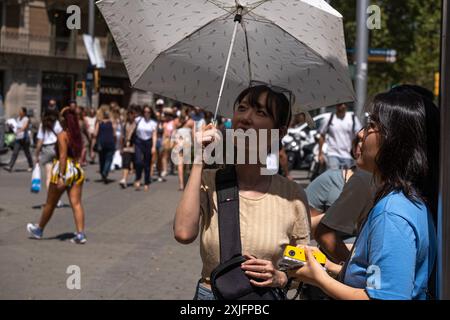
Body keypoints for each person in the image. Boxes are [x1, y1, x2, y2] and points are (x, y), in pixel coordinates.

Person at [288, 85, 439, 300]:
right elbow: (378, 279)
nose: (360, 133)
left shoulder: (392, 214)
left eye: (371, 126)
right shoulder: (403, 200)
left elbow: (386, 297)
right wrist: (329, 267)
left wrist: (320, 280)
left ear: (395, 140)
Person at [174, 85, 311, 300]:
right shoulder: (211, 181)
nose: (245, 118)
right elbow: (183, 233)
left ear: (280, 132)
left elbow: (303, 262)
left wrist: (281, 277)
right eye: (242, 108)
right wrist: (200, 158)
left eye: (260, 112)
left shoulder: (292, 195)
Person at [306, 133, 375, 263]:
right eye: (359, 141)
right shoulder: (330, 180)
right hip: (335, 263)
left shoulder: (390, 186)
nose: (362, 144)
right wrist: (337, 214)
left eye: (366, 139)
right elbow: (303, 227)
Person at [26, 107, 87, 244]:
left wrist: (61, 176)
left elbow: (63, 156)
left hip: (63, 168)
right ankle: (81, 234)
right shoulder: (77, 134)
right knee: (76, 204)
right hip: (76, 170)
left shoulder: (62, 134)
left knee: (50, 204)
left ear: (64, 120)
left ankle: (39, 230)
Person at [34, 109, 65, 208]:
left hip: (46, 149)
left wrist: (36, 155)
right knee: (56, 176)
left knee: (48, 177)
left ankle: (52, 200)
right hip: (56, 148)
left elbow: (39, 143)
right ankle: (57, 200)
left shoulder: (42, 125)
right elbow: (62, 137)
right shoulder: (57, 124)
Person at [318, 103, 362, 170]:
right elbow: (322, 135)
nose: (343, 106)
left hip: (348, 155)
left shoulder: (352, 118)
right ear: (336, 105)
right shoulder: (329, 118)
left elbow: (359, 136)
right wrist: (320, 154)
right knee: (333, 176)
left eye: (345, 104)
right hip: (332, 153)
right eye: (341, 104)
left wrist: (357, 151)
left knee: (347, 178)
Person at [134, 105, 157, 191]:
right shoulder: (138, 120)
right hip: (139, 142)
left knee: (147, 164)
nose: (146, 113)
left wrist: (154, 146)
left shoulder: (153, 123)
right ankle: (138, 179)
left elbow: (154, 135)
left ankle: (146, 182)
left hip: (148, 142)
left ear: (151, 113)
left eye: (148, 112)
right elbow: (132, 129)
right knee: (138, 161)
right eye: (145, 112)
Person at [91, 106, 116, 184]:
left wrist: (92, 145)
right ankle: (105, 172)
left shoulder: (99, 122)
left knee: (102, 159)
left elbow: (95, 133)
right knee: (109, 159)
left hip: (101, 143)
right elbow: (115, 134)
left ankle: (103, 173)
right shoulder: (112, 122)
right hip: (110, 142)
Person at [4, 107, 33, 172]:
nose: (19, 112)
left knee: (27, 153)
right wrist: (11, 127)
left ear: (24, 113)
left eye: (21, 111)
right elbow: (16, 126)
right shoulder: (18, 119)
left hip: (25, 139)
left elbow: (24, 127)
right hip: (18, 138)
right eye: (19, 111)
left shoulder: (26, 119)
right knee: (15, 152)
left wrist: (20, 130)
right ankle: (10, 166)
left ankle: (31, 165)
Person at [173, 105, 195, 191]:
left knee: (180, 165)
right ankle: (187, 184)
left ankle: (181, 185)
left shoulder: (176, 121)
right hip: (188, 144)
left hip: (179, 144)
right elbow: (193, 135)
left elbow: (174, 134)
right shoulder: (191, 122)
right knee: (187, 166)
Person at [119, 109, 137, 189]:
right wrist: (121, 148)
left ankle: (137, 179)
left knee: (137, 165)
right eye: (129, 114)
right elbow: (122, 136)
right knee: (126, 163)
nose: (130, 116)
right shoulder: (125, 124)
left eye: (132, 114)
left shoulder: (137, 125)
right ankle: (124, 180)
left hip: (135, 147)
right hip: (127, 147)